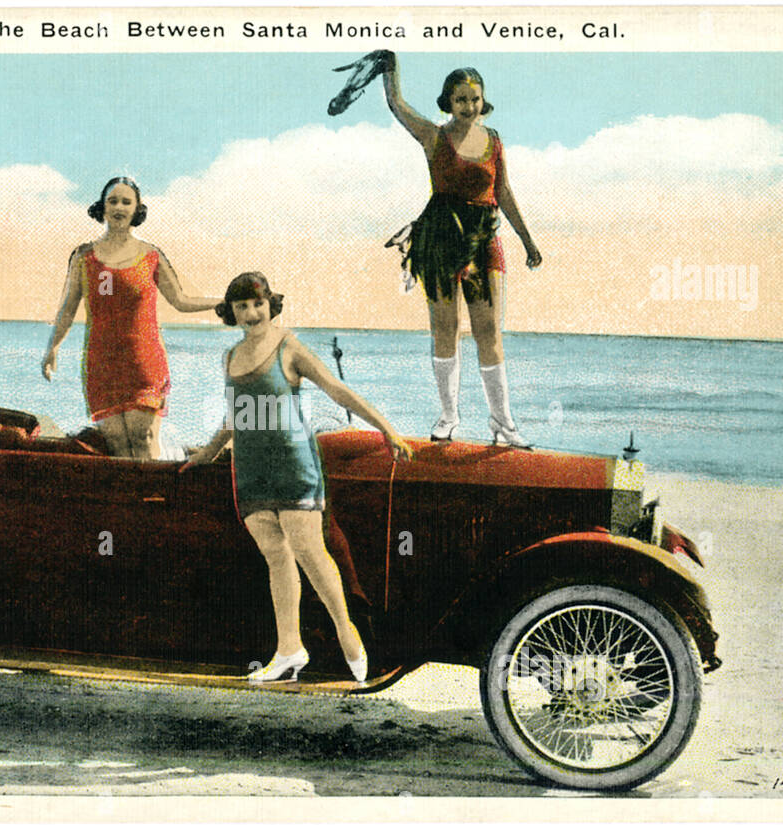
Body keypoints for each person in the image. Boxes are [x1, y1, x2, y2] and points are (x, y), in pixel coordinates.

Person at [183, 272, 412, 684]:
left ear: (271, 304)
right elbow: (235, 415)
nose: (251, 313)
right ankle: (289, 649)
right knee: (276, 556)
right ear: (231, 313)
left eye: (257, 303)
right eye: (241, 307)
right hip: (250, 470)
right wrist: (208, 452)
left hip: (293, 466)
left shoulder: (289, 347)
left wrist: (386, 428)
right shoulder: (230, 357)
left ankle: (348, 634)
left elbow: (336, 390)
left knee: (310, 551)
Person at [381, 55, 543, 446]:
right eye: (460, 100)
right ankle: (449, 417)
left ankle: (503, 423)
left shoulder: (495, 141)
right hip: (440, 238)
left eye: (474, 99)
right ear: (448, 102)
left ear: (482, 101)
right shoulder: (434, 137)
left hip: (484, 238)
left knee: (489, 333)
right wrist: (390, 71)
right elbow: (397, 106)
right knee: (445, 330)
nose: (468, 106)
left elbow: (502, 192)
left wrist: (527, 239)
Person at [43, 177, 220, 459]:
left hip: (144, 364)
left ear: (137, 208)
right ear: (102, 207)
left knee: (144, 438)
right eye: (113, 201)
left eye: (127, 202)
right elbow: (67, 308)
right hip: (101, 365)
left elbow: (181, 301)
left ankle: (159, 501)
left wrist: (222, 303)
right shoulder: (83, 256)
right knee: (117, 444)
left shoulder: (151, 255)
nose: (119, 207)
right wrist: (52, 349)